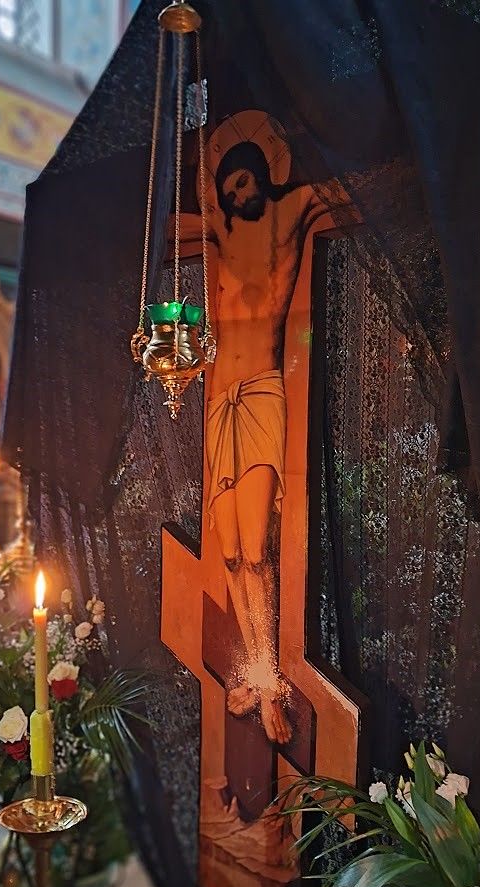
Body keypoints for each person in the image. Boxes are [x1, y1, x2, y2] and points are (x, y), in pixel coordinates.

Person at [176, 135, 352, 743]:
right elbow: (193, 208)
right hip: (218, 404)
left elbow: (343, 191)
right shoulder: (221, 237)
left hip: (259, 394)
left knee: (256, 549)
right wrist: (195, 132)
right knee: (228, 551)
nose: (234, 197)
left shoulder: (290, 212)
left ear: (261, 176)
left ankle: (270, 679)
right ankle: (257, 669)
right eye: (227, 192)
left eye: (242, 184)